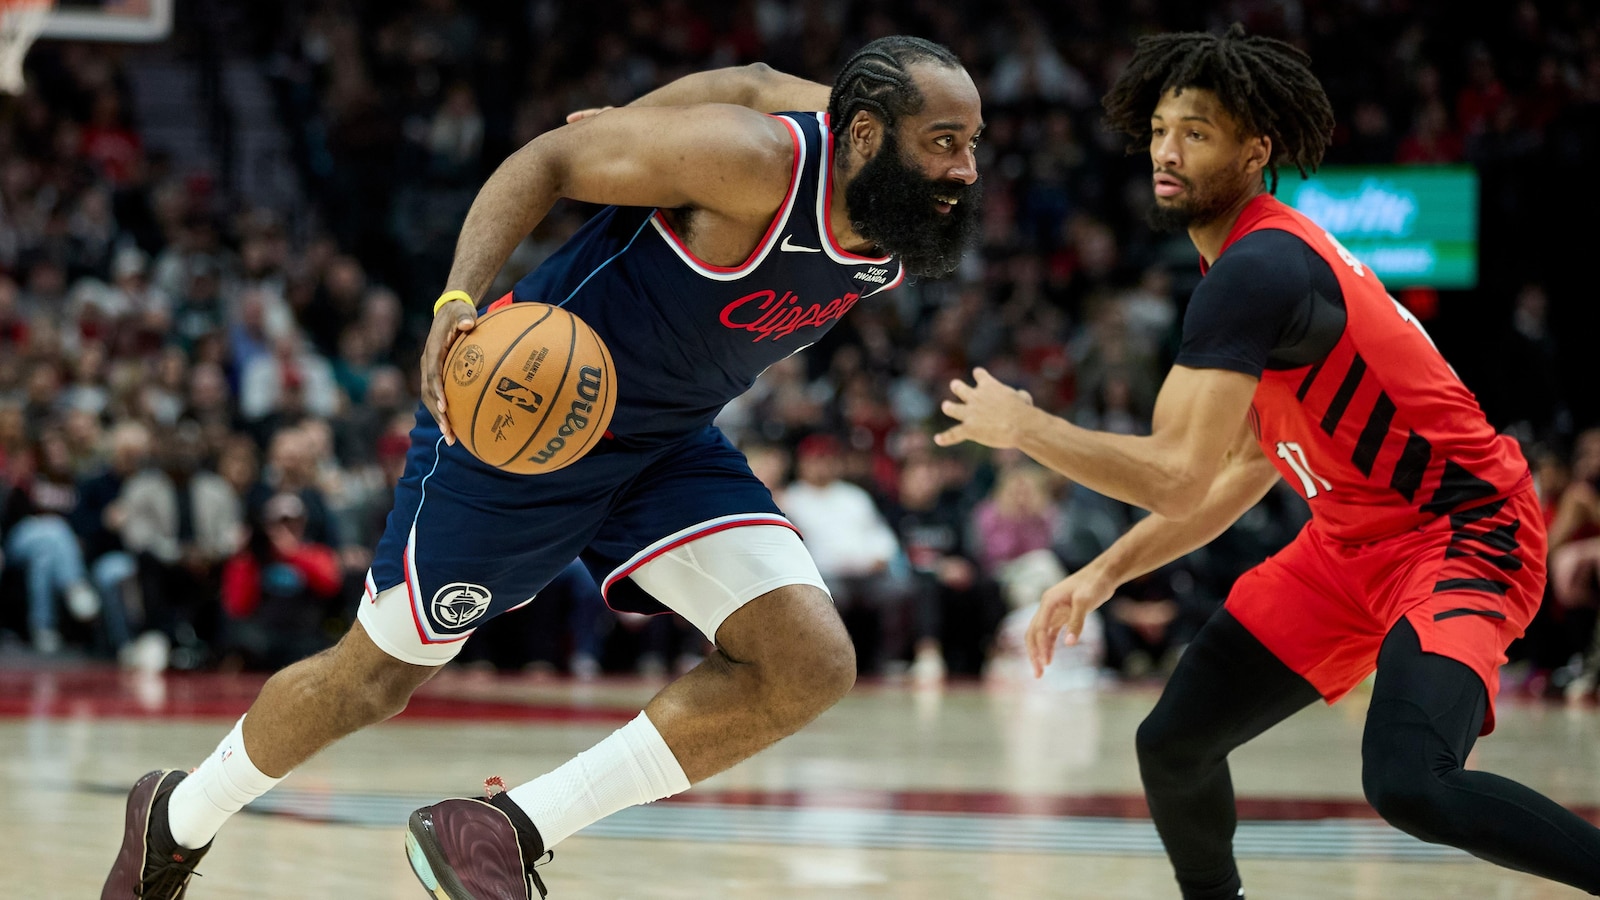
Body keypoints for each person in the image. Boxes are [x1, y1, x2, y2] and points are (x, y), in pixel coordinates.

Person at [104, 37, 983, 900]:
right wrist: (457, 300)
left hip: (664, 443)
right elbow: (546, 161)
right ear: (867, 135)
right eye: (945, 143)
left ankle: (498, 831)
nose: (967, 169)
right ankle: (176, 817)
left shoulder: (900, 201)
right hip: (524, 422)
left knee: (810, 662)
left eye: (973, 143)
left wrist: (642, 117)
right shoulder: (750, 165)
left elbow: (756, 77)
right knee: (376, 677)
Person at [935, 24, 1600, 900]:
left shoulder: (1261, 271)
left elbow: (1172, 472)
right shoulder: (1243, 268)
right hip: (1348, 546)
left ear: (1257, 151)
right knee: (1172, 744)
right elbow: (1237, 473)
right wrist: (1101, 573)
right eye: (1162, 130)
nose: (1167, 152)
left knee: (1410, 780)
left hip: (1464, 533)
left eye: (1197, 133)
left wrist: (1025, 426)